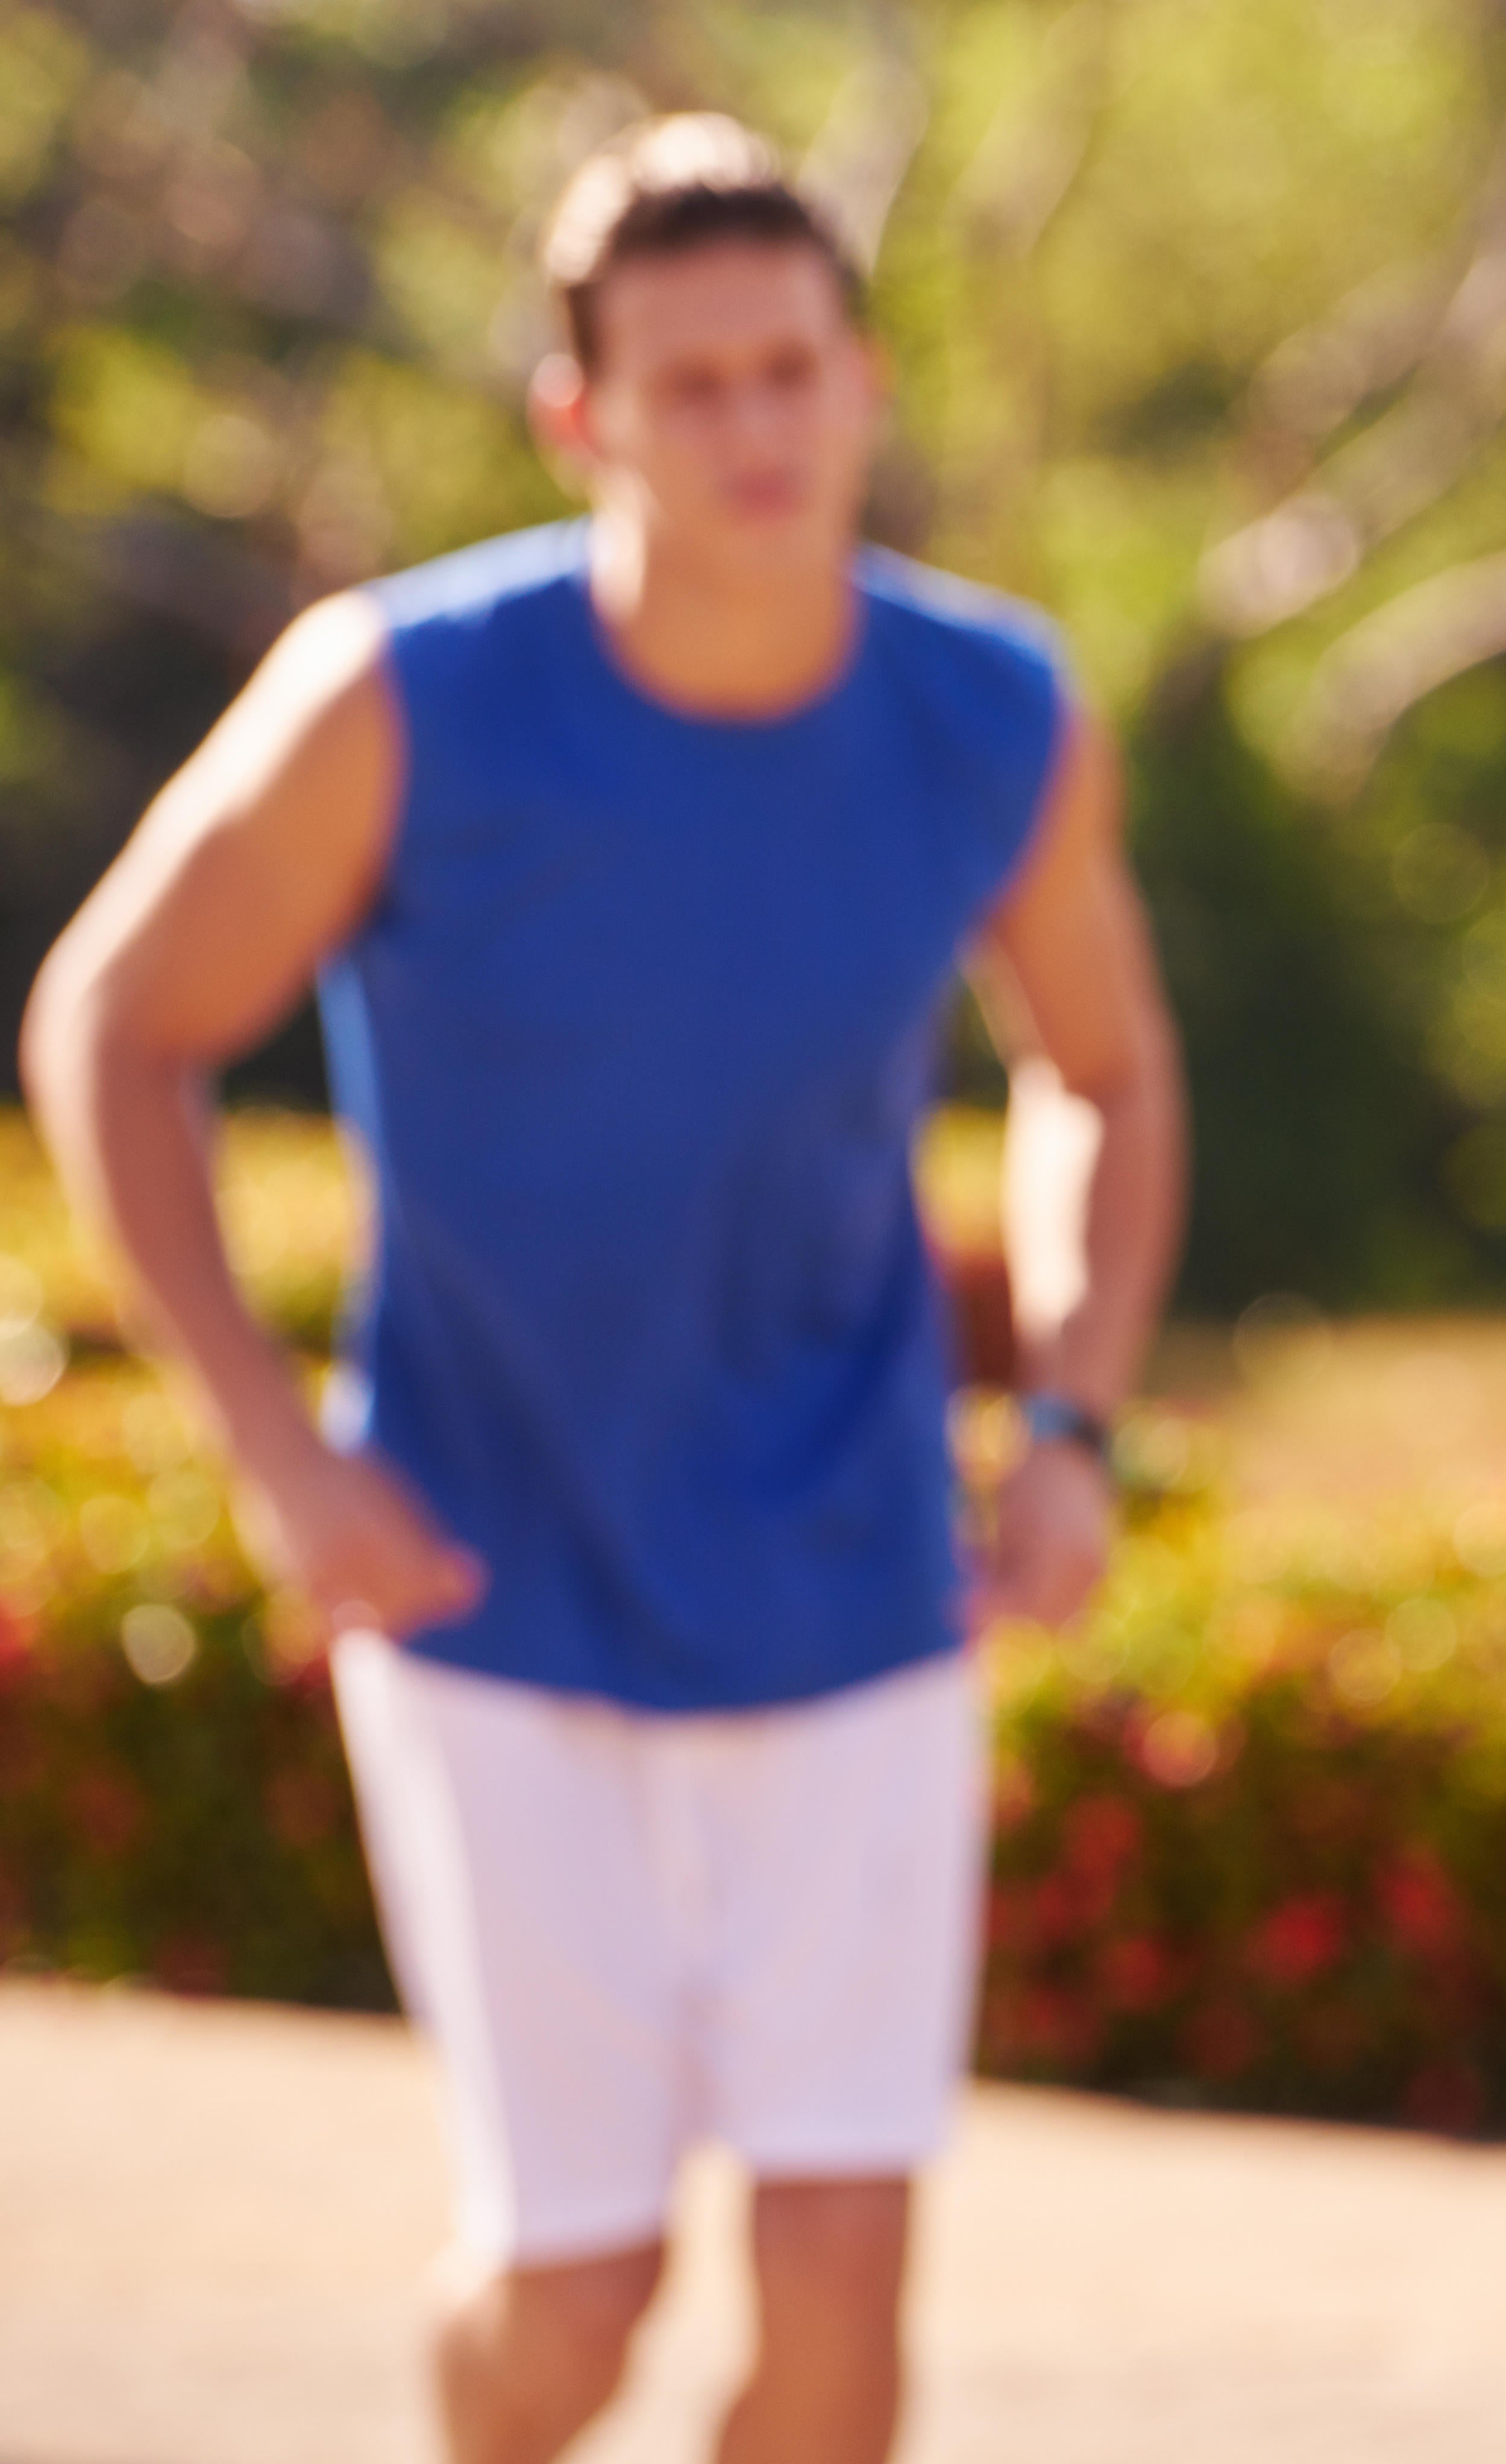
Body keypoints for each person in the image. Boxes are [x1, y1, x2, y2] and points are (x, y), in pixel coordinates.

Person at [20, 115, 1182, 2464]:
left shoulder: (993, 713)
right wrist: (275, 1448)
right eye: (693, 386)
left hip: (862, 1583)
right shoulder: (403, 696)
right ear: (585, 419)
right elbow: (111, 1025)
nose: (755, 428)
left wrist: (1066, 1422)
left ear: (863, 378)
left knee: (844, 2282)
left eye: (791, 370)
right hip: (480, 1575)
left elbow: (1107, 1071)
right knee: (579, 2294)